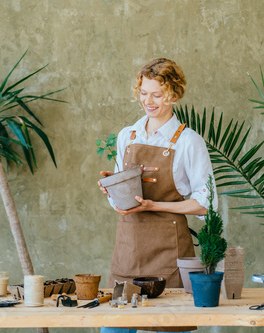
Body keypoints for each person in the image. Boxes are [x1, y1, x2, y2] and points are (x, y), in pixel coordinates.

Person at [98, 58, 216, 332]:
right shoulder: (127, 135)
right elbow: (120, 198)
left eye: (156, 95)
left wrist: (155, 204)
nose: (148, 101)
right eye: (143, 93)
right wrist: (111, 191)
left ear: (173, 94)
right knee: (114, 328)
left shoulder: (189, 142)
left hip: (168, 255)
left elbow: (204, 204)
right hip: (129, 248)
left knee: (168, 327)